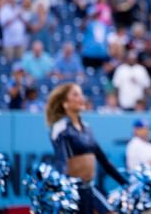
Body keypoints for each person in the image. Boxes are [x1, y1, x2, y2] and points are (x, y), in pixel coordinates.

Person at [45, 83, 128, 214]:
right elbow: (61, 161)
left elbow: (105, 163)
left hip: (90, 188)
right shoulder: (60, 128)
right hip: (72, 192)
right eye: (75, 94)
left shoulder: (87, 128)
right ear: (65, 103)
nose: (81, 98)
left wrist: (126, 183)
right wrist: (61, 190)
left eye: (81, 94)